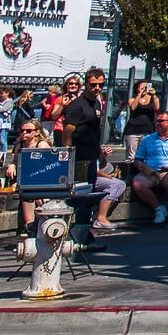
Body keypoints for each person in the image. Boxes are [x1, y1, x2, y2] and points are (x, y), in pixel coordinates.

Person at [59, 70, 123, 231]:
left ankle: (84, 232)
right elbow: (68, 131)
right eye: (93, 85)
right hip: (79, 158)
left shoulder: (96, 103)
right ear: (86, 84)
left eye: (100, 85)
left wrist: (99, 153)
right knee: (82, 195)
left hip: (91, 155)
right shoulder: (77, 106)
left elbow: (93, 132)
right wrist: (68, 153)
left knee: (88, 194)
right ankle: (80, 232)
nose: (97, 88)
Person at [131, 110, 168, 224]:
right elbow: (138, 158)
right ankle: (159, 208)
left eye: (160, 121)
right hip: (150, 172)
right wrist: (139, 164)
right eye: (156, 121)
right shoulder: (148, 139)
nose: (157, 123)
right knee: (137, 183)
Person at [10, 117, 53, 229]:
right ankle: (29, 226)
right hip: (27, 182)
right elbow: (15, 161)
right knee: (27, 194)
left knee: (35, 194)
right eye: (22, 130)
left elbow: (45, 169)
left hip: (42, 180)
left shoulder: (42, 145)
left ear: (37, 132)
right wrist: (12, 165)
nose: (24, 133)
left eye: (28, 131)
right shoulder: (20, 145)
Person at [121, 81, 158, 157]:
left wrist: (153, 95)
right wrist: (139, 94)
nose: (144, 89)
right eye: (142, 87)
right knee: (131, 155)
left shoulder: (153, 99)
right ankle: (130, 168)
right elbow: (133, 107)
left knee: (145, 154)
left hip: (148, 131)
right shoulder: (132, 99)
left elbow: (156, 107)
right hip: (133, 131)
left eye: (146, 87)